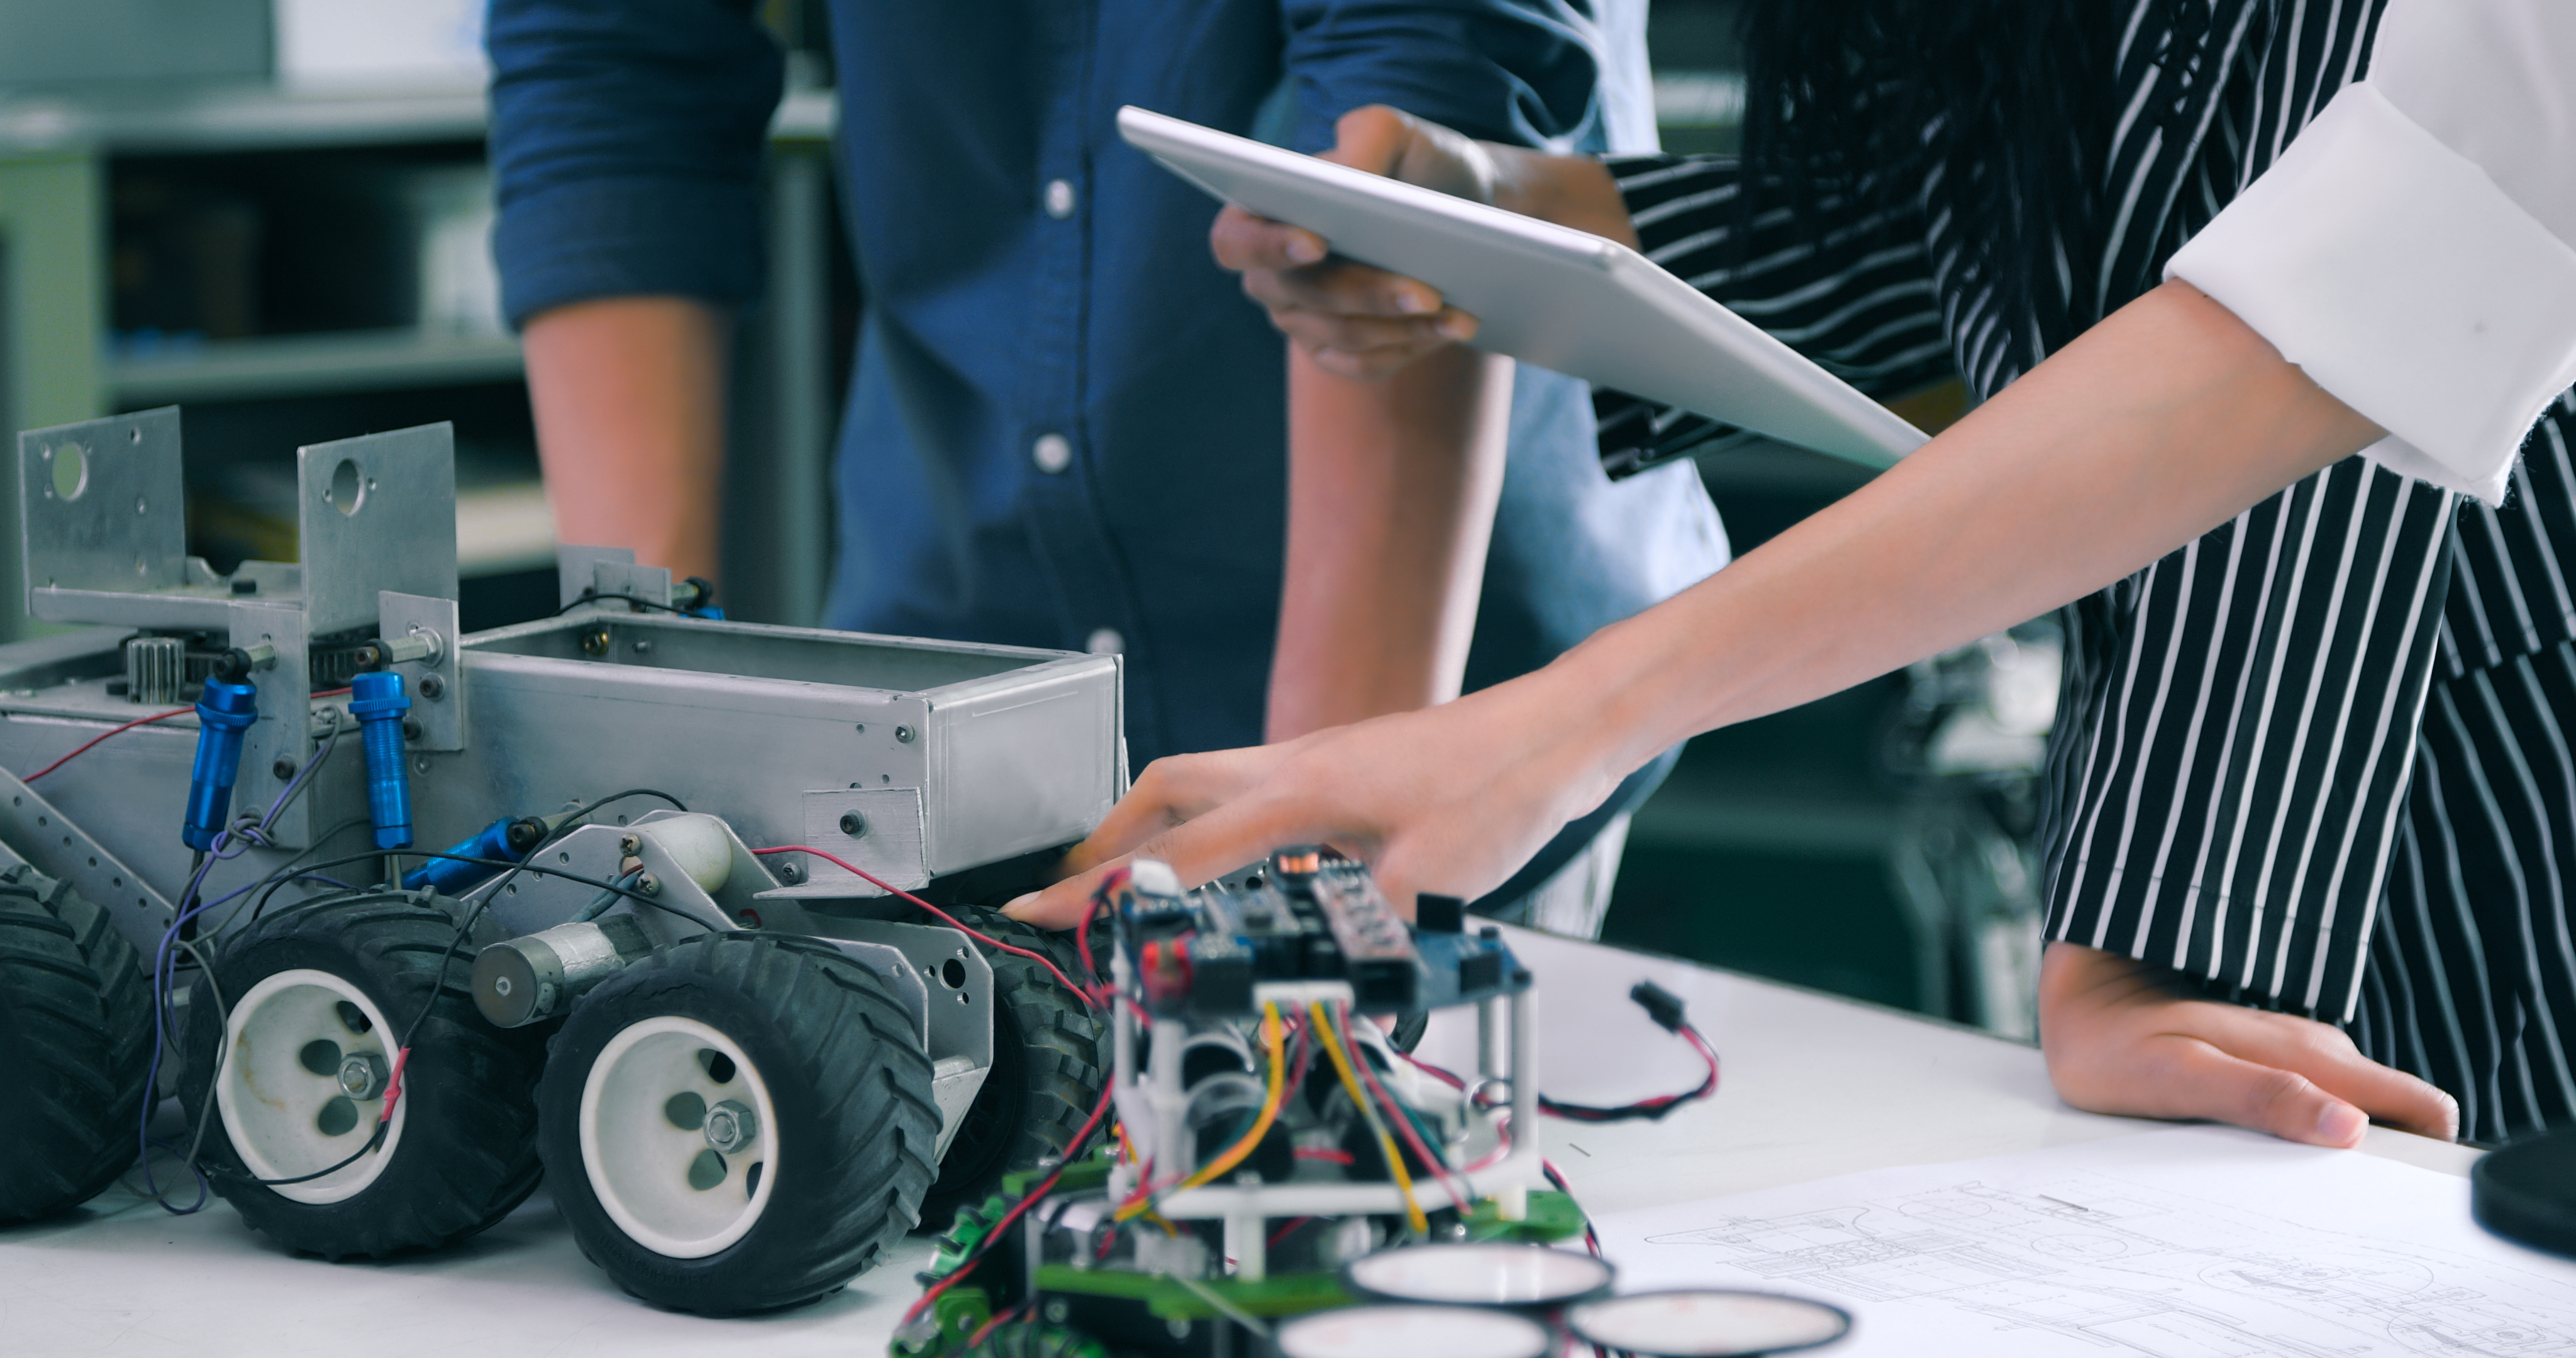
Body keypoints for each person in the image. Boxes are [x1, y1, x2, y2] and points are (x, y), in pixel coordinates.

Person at [1009, 0, 2576, 1150]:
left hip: (2447, 793)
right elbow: (1963, 243)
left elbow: (2338, 341)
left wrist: (2177, 935)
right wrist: (1507, 224)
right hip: (2215, 802)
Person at [482, 0, 1727, 933]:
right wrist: (635, 762)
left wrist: (1309, 897)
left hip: (1432, 708)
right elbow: (611, 64)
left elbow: (1408, 142)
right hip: (945, 685)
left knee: (1334, 1203)